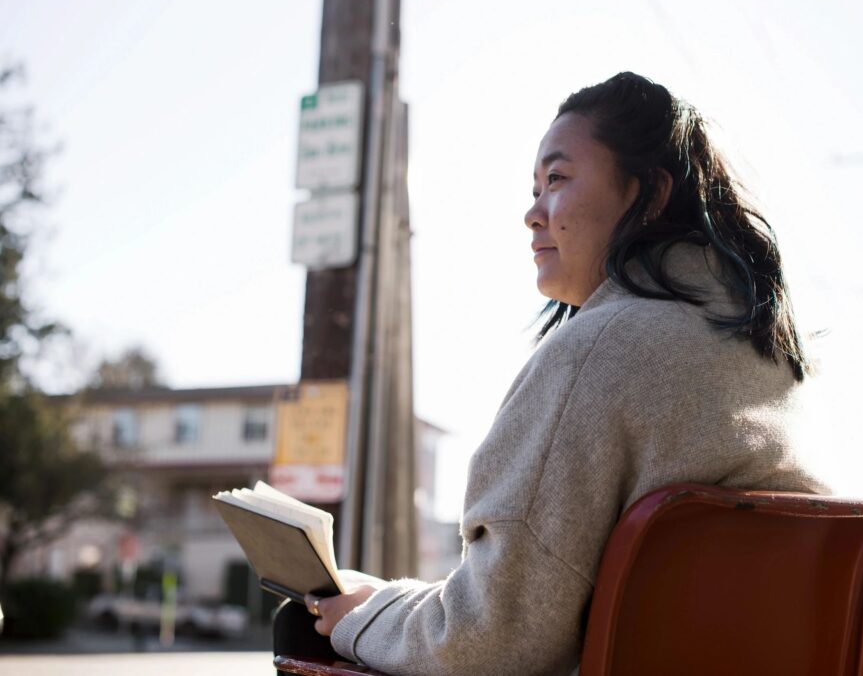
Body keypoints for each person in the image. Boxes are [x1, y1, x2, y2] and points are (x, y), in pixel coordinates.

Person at [274, 71, 827, 676]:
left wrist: (367, 613)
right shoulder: (771, 357)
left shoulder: (602, 347)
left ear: (651, 194)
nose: (532, 214)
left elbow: (491, 642)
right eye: (534, 187)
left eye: (556, 179)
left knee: (304, 629)